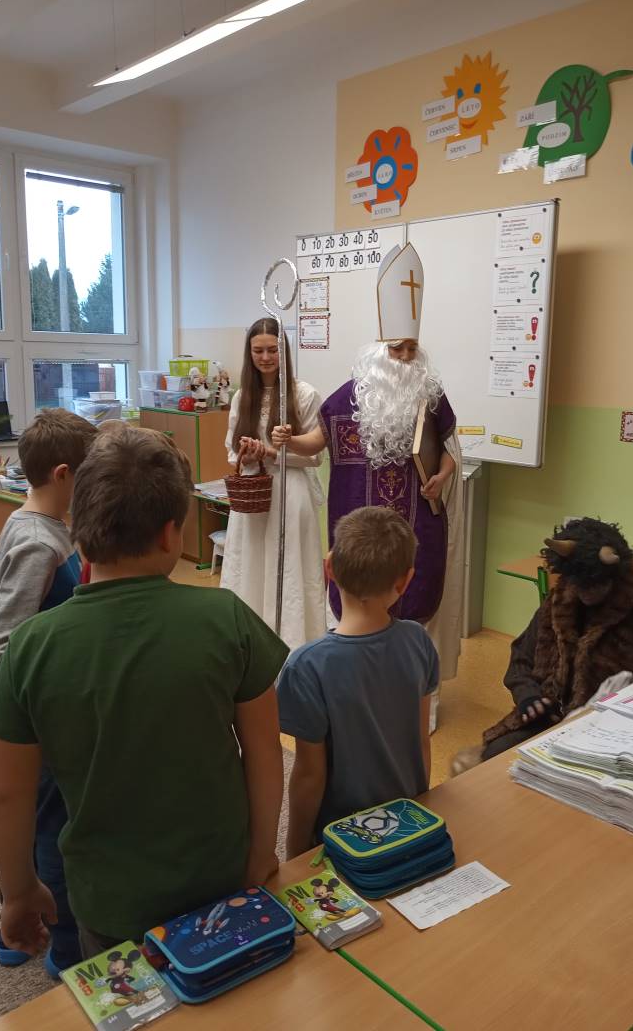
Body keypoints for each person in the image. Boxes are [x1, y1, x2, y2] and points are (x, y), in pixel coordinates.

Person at [0, 425, 287, 958]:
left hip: (106, 900)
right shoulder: (228, 618)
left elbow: (8, 795)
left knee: (126, 996)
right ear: (170, 535)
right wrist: (261, 852)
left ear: (79, 527)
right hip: (221, 877)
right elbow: (264, 752)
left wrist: (20, 891)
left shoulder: (31, 646)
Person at [273, 243, 463, 699]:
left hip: (417, 528)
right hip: (360, 529)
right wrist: (288, 440)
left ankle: (417, 699)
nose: (405, 358)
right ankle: (358, 693)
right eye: (397, 349)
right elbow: (316, 442)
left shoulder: (431, 396)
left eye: (411, 349)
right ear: (379, 350)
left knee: (414, 612)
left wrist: (443, 476)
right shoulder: (347, 399)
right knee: (360, 607)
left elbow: (450, 452)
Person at [0, 406, 98, 976]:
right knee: (53, 825)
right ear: (62, 475)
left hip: (33, 712)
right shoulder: (39, 544)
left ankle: (16, 924)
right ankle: (66, 946)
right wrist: (40, 709)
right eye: (89, 476)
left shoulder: (38, 525)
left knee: (30, 820)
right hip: (37, 718)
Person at [454, 517, 633, 769]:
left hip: (610, 730)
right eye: (579, 583)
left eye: (595, 584)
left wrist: (622, 695)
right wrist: (528, 697)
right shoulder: (558, 602)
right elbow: (521, 658)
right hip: (550, 718)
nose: (586, 591)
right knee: (494, 759)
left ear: (614, 576)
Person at [277, 506, 438, 858]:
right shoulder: (419, 641)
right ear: (405, 581)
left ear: (330, 568)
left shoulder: (306, 665)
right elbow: (421, 739)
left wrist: (295, 851)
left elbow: (309, 774)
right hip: (407, 822)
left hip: (342, 838)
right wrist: (417, 811)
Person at [220, 318, 325, 650]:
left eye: (272, 350)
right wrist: (249, 455)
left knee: (290, 567)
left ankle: (293, 646)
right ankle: (251, 645)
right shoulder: (242, 397)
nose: (265, 357)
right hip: (253, 495)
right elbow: (231, 451)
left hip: (291, 494)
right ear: (249, 353)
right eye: (258, 351)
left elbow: (315, 457)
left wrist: (273, 453)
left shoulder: (304, 394)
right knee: (250, 564)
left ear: (284, 351)